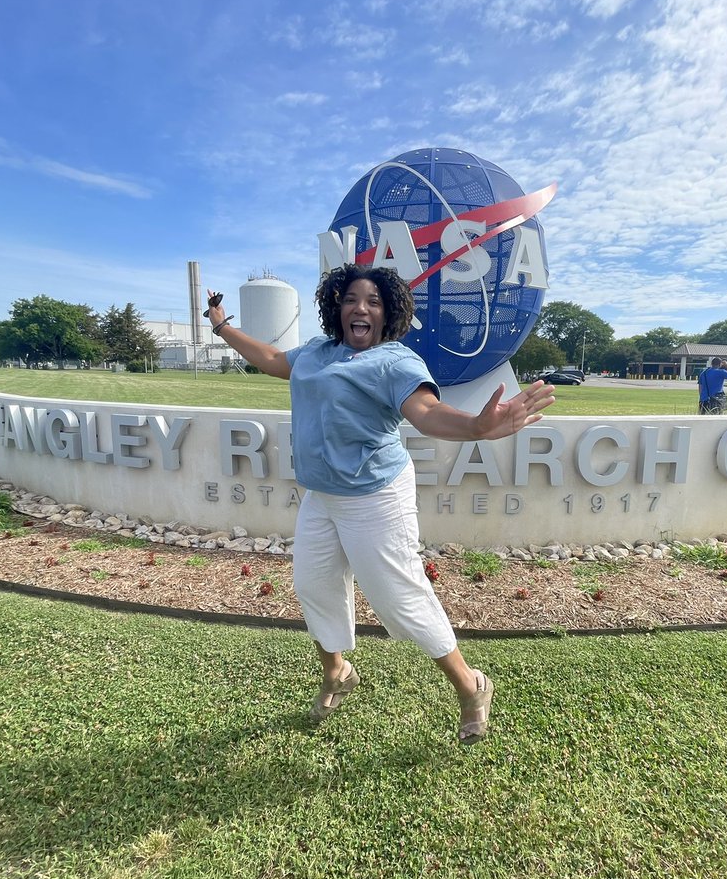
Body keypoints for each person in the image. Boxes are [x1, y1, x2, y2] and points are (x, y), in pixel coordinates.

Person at [205, 265, 555, 745]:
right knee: (315, 586)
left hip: (375, 496)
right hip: (322, 495)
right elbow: (269, 357)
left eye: (372, 301)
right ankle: (337, 673)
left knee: (399, 598)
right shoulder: (316, 352)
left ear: (387, 312)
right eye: (351, 299)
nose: (360, 308)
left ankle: (472, 685)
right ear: (336, 307)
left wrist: (476, 426)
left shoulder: (394, 362)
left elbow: (427, 411)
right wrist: (223, 326)